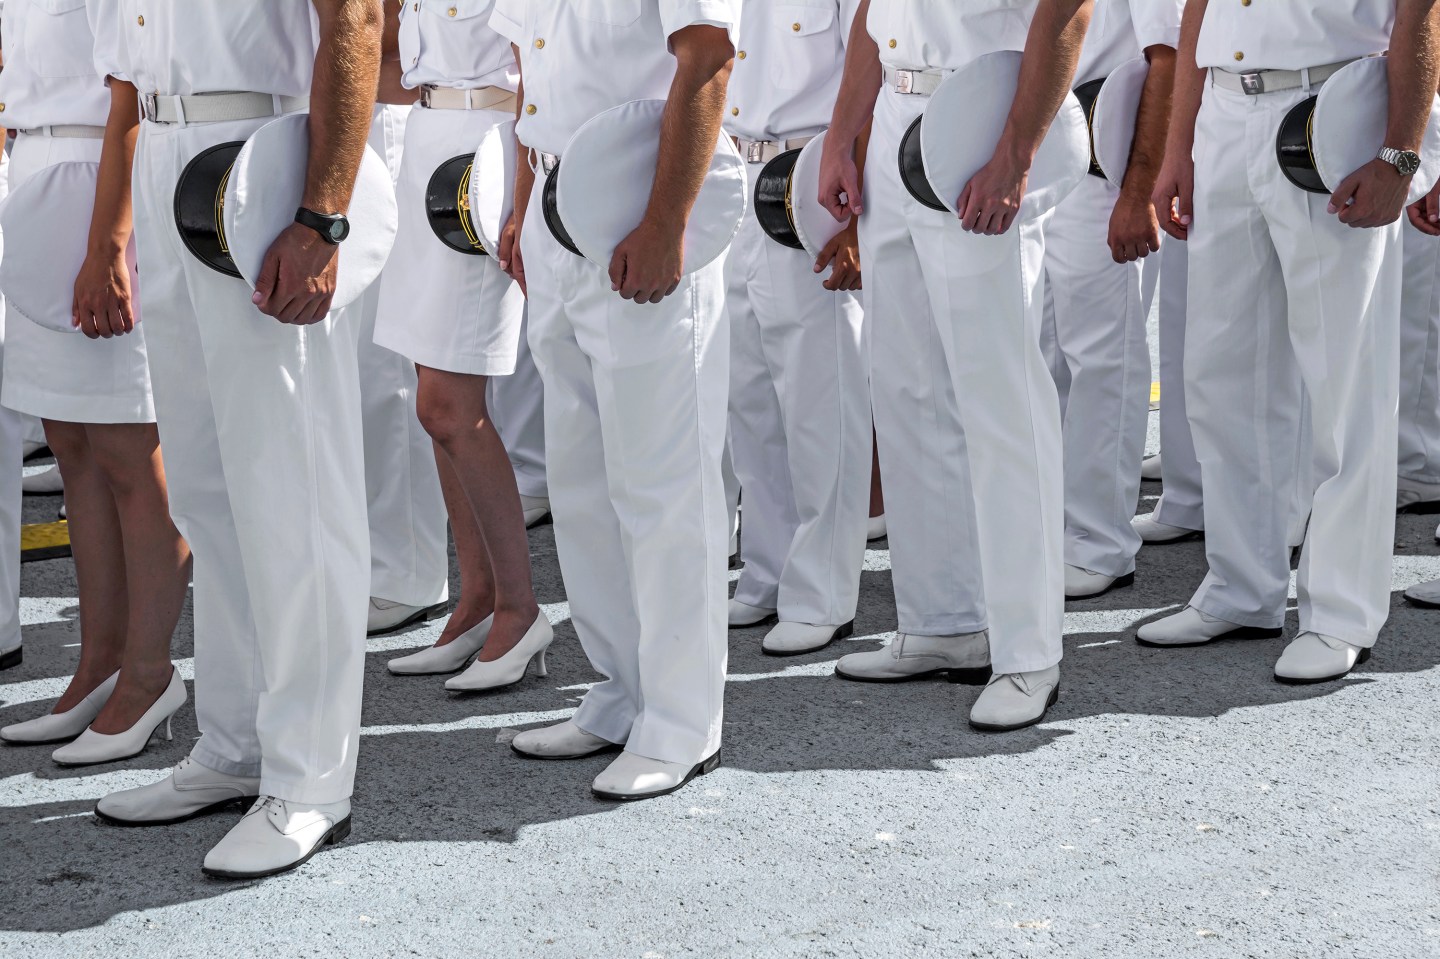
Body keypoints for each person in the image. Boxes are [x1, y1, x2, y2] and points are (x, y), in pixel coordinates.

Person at [89, 0, 383, 880]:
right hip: (168, 150)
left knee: (292, 482)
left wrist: (324, 215)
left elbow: (357, 21)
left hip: (262, 156)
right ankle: (235, 743)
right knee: (208, 484)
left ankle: (310, 776)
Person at [1142, 0, 1439, 682]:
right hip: (1223, 111)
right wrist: (1178, 145)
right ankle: (1241, 586)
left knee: (1346, 381)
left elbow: (1420, 11)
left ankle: (1340, 611)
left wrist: (1399, 153)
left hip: (1331, 107)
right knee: (1222, 374)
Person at [819, 0, 1093, 731]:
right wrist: (844, 130)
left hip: (981, 123)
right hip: (893, 122)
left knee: (1000, 402)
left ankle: (1029, 651)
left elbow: (1067, 10)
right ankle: (944, 621)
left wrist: (1017, 152)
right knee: (907, 389)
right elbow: (871, 16)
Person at [492, 0, 738, 800]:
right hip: (557, 209)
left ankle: (680, 719)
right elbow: (531, 70)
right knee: (583, 479)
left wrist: (668, 222)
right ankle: (620, 690)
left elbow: (705, 58)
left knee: (663, 482)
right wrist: (523, 200)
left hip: (641, 207)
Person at [0, 0, 190, 766]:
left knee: (128, 449)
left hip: (98, 188)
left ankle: (149, 674)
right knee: (74, 446)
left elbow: (130, 97)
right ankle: (97, 667)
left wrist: (109, 243)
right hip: (39, 180)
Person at [372, 0, 551, 686]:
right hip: (426, 140)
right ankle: (477, 601)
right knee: (432, 403)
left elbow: (537, 61)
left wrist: (526, 189)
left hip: (486, 153)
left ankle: (518, 608)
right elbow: (402, 60)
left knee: (454, 403)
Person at [721, 0, 872, 657]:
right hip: (730, 176)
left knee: (820, 398)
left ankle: (823, 592)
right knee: (746, 394)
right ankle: (768, 569)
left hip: (810, 181)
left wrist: (857, 222)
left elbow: (867, 78)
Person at [1040, 0, 1181, 599]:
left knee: (1102, 359)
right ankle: (1047, 531)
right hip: (1028, 163)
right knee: (1039, 360)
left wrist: (1138, 191)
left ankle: (1100, 543)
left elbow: (1167, 60)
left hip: (1100, 167)